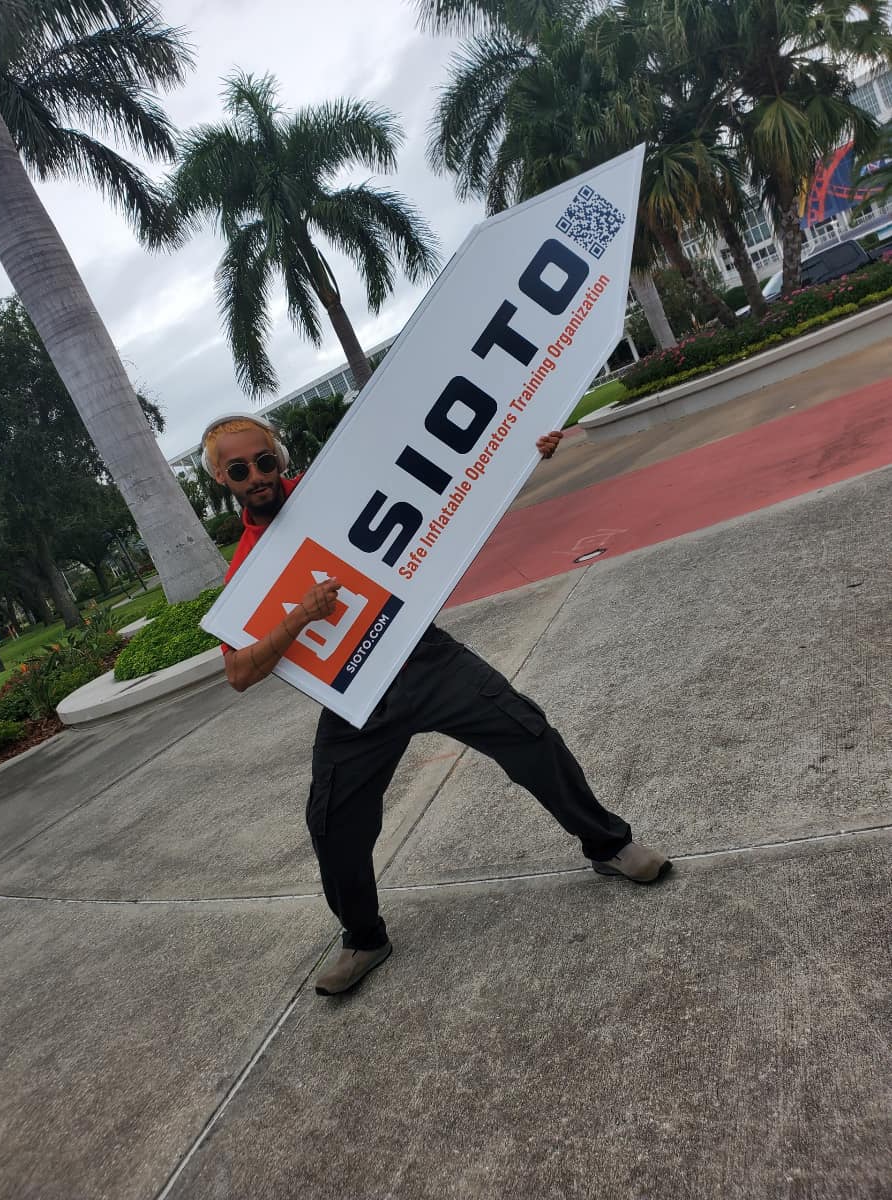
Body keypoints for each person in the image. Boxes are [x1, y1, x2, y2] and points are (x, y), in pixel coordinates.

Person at [202, 413, 671, 996]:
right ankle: (364, 937)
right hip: (354, 693)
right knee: (332, 822)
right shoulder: (244, 570)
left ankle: (610, 846)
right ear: (223, 478)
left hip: (419, 654)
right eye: (240, 469)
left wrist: (527, 454)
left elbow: (447, 479)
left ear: (280, 459)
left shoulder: (337, 493)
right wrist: (299, 616)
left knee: (527, 735)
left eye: (265, 461)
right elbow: (240, 672)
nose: (257, 476)